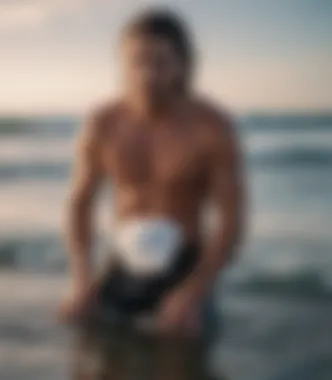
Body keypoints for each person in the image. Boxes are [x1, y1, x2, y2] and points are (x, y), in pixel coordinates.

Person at [60, 8, 244, 379]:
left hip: (185, 266)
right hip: (121, 263)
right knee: (95, 363)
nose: (147, 73)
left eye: (161, 62)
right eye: (137, 61)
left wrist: (193, 292)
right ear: (123, 63)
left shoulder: (212, 128)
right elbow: (80, 202)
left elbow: (231, 223)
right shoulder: (103, 123)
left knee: (183, 365)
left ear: (184, 64)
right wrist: (81, 277)